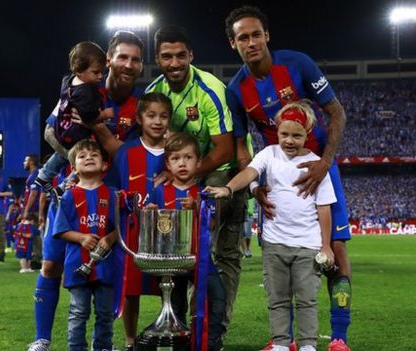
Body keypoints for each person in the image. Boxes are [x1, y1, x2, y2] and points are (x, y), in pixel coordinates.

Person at [225, 6, 353, 351]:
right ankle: (286, 339)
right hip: (276, 175)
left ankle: (339, 336)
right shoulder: (236, 90)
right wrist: (254, 185)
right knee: (278, 253)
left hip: (320, 166)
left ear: (266, 35)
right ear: (232, 44)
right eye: (242, 38)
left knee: (335, 249)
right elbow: (240, 145)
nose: (250, 42)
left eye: (255, 34)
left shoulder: (297, 64)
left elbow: (336, 112)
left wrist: (324, 163)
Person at [28, 31, 146, 351]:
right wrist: (75, 164)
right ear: (108, 60)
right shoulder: (82, 89)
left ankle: (121, 341)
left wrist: (98, 132)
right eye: (122, 56)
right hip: (73, 191)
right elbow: (51, 132)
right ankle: (42, 338)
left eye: (135, 59)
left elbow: (132, 155)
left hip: (111, 198)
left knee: (112, 271)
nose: (128, 64)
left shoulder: (142, 104)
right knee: (51, 264)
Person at [206, 101, 336, 351]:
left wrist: (326, 246)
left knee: (307, 299)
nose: (289, 140)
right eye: (284, 134)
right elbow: (250, 173)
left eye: (296, 135)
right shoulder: (269, 154)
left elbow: (324, 208)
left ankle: (308, 344)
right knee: (277, 298)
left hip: (307, 245)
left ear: (307, 134)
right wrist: (228, 188)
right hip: (275, 244)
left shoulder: (316, 164)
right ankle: (280, 343)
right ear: (276, 132)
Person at [145, 25, 244, 338]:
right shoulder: (154, 94)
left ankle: (215, 331)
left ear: (191, 55)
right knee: (175, 251)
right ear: (157, 59)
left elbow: (225, 148)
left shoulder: (210, 88)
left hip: (222, 171)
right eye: (166, 57)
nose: (174, 63)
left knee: (223, 255)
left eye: (180, 56)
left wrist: (187, 175)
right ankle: (179, 327)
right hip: (183, 174)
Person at [103, 92, 171, 350]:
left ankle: (172, 331)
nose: (157, 121)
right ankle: (130, 340)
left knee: (170, 283)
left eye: (163, 116)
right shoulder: (127, 152)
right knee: (131, 287)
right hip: (132, 231)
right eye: (151, 115)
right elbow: (111, 189)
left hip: (167, 232)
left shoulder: (176, 151)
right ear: (140, 119)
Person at [148, 132, 227, 351]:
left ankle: (210, 344)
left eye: (188, 157)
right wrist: (151, 215)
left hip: (200, 259)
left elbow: (212, 226)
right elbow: (149, 227)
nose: (182, 163)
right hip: (171, 262)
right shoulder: (158, 193)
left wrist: (198, 209)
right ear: (168, 163)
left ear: (198, 161)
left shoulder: (206, 194)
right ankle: (180, 343)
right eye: (175, 158)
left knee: (218, 297)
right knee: (175, 305)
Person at [52, 139, 120, 351]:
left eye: (94, 155)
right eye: (82, 156)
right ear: (73, 168)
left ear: (104, 165)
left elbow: (122, 227)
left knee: (105, 313)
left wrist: (110, 238)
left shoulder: (112, 195)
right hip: (77, 265)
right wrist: (81, 238)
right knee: (78, 312)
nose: (88, 157)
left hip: (106, 265)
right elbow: (60, 230)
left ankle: (102, 347)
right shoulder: (68, 196)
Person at [34, 41, 112, 198]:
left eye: (102, 71)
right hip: (61, 132)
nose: (100, 76)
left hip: (53, 127)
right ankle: (62, 187)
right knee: (85, 158)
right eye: (96, 72)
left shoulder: (69, 79)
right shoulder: (85, 91)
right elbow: (89, 116)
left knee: (67, 153)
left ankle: (44, 177)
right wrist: (105, 115)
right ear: (79, 71)